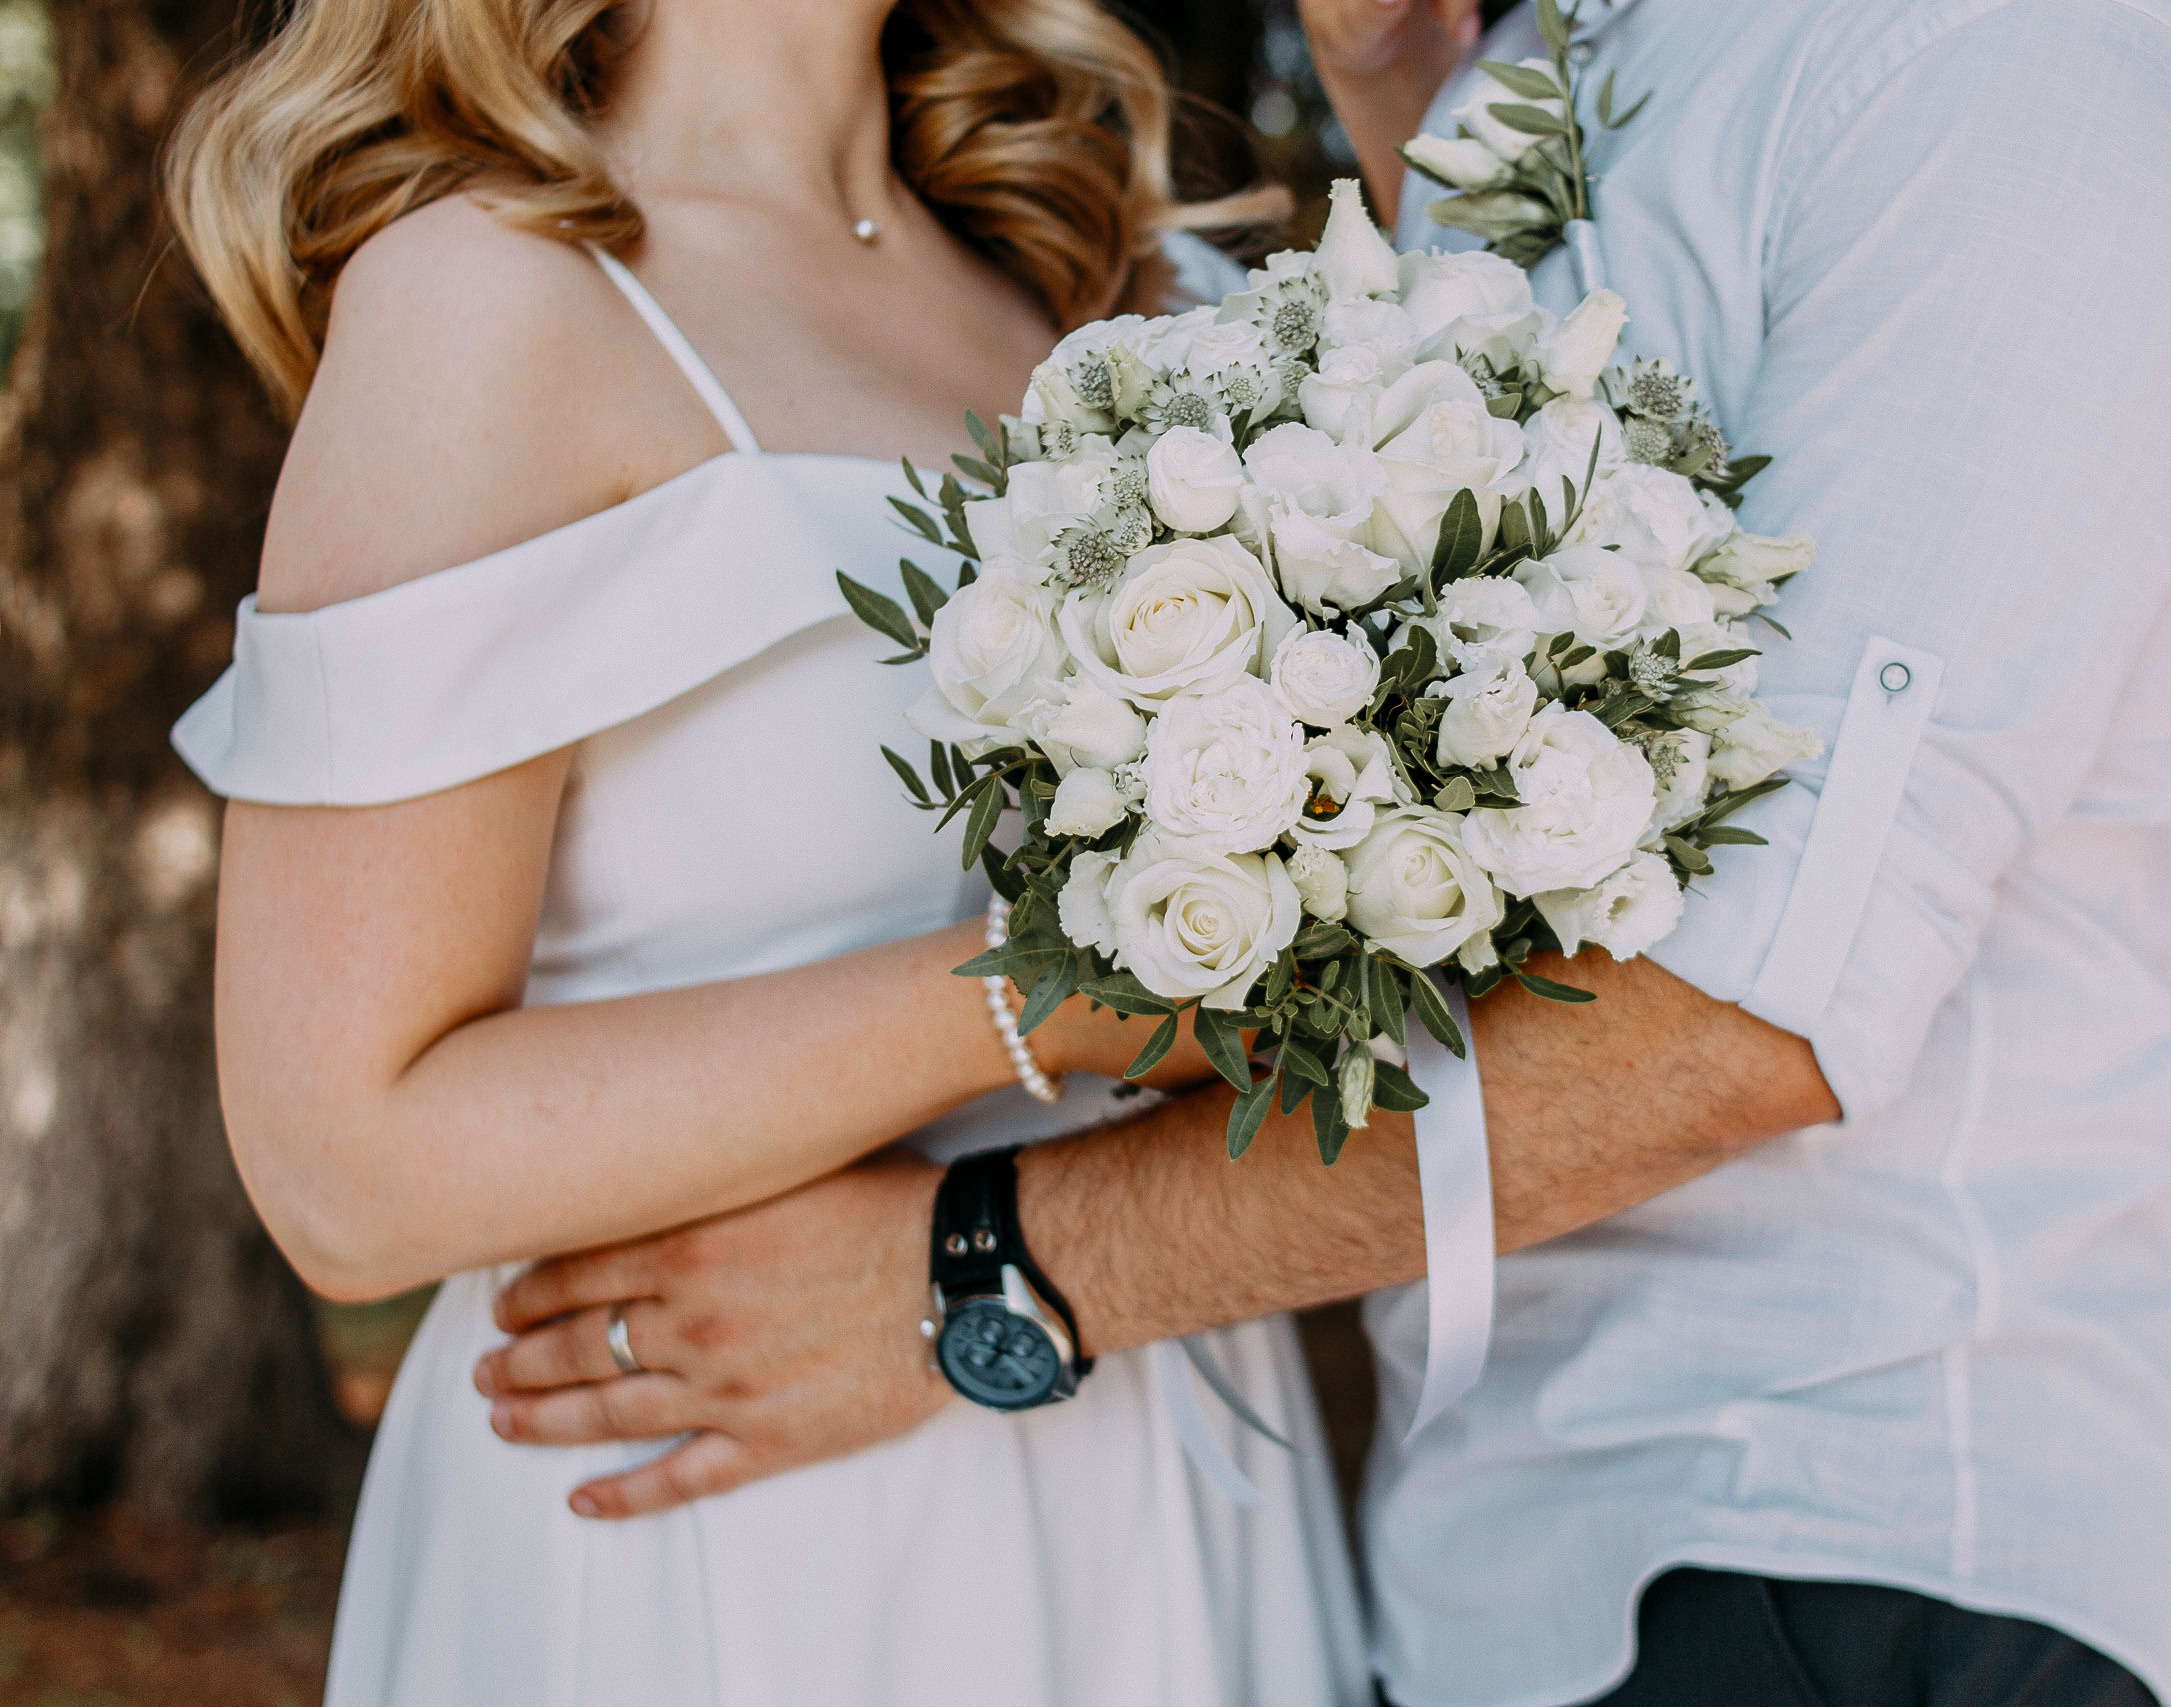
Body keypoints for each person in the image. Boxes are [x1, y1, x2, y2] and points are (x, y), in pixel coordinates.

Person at [476, 1, 2171, 1705]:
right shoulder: (1551, 63)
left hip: (1829, 1542)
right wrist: (1394, 96)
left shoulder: (2022, 67)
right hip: (1482, 1563)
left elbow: (1747, 1018)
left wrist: (980, 1277)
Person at [161, 0, 1372, 1702]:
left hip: (1153, 1444)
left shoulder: (1111, 289)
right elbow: (340, 1169)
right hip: (726, 1521)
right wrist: (1044, 1001)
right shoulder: (487, 295)